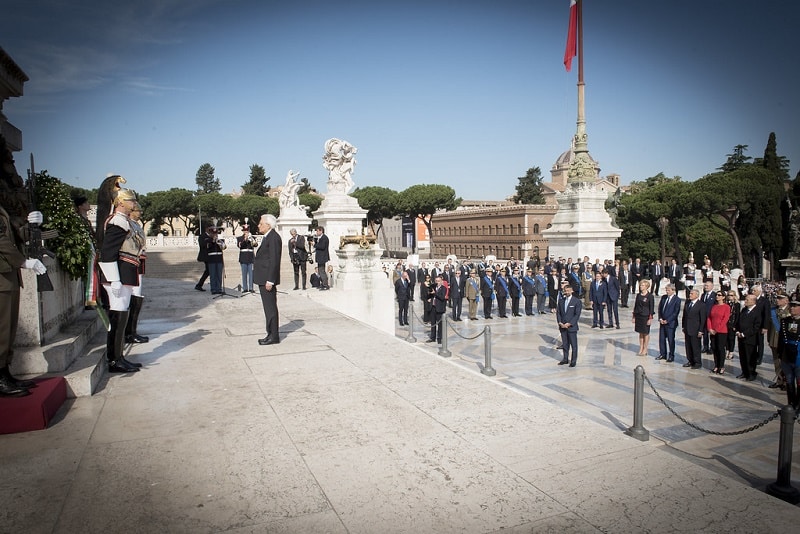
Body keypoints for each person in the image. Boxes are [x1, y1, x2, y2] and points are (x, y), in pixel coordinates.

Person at [0, 206, 48, 396]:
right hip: (3, 276)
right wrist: (22, 261)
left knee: (8, 329)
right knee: (2, 329)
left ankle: (5, 373)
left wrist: (32, 224)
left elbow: (14, 234)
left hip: (8, 276)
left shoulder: (3, 208)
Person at [98, 188, 144, 373]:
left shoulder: (124, 221)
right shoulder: (117, 221)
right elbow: (108, 252)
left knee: (122, 312)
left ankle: (119, 357)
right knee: (117, 315)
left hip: (125, 270)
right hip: (118, 273)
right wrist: (114, 279)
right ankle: (114, 359)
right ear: (120, 202)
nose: (134, 203)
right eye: (130, 201)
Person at [254, 214, 282, 345]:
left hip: (267, 279)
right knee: (267, 308)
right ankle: (270, 333)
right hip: (263, 277)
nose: (259, 225)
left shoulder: (273, 238)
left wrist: (270, 280)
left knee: (270, 308)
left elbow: (274, 260)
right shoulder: (268, 237)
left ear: (268, 225)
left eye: (261, 223)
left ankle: (274, 336)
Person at [124, 202, 149, 345]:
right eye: (138, 210)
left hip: (139, 264)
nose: (140, 213)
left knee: (137, 297)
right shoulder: (128, 224)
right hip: (132, 263)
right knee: (131, 298)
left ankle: (132, 331)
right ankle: (129, 333)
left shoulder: (136, 225)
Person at [778, 300, 800, 410]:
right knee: (789, 381)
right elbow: (781, 339)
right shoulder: (785, 321)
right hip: (786, 355)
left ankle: (798, 406)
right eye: (791, 306)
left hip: (798, 356)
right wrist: (779, 354)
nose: (792, 308)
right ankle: (791, 404)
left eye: (795, 306)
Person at [767, 293, 791, 390]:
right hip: (774, 339)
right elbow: (769, 325)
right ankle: (779, 380)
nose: (778, 300)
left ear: (786, 300)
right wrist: (769, 339)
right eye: (777, 298)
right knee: (777, 361)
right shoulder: (773, 310)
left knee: (786, 362)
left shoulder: (791, 310)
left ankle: (786, 382)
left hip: (786, 341)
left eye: (780, 299)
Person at [736, 294, 762, 381]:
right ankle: (744, 372)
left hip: (750, 338)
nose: (745, 301)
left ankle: (751, 373)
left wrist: (744, 334)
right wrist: (738, 331)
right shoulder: (744, 310)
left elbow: (756, 327)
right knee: (742, 356)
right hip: (741, 337)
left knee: (750, 357)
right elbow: (739, 321)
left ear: (753, 301)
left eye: (747, 300)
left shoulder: (757, 312)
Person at [557, 284, 582, 367]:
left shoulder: (576, 301)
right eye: (565, 290)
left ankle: (573, 361)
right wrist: (560, 322)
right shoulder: (561, 300)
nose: (567, 292)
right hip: (563, 326)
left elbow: (577, 315)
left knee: (573, 345)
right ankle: (565, 359)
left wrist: (570, 323)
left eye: (568, 290)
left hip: (571, 327)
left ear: (572, 291)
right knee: (565, 344)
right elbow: (558, 313)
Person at [707, 291, 731, 374]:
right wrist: (710, 328)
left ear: (723, 297)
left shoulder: (726, 307)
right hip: (712, 330)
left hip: (721, 331)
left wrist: (717, 329)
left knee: (720, 348)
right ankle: (716, 365)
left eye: (719, 295)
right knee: (714, 347)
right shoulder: (714, 306)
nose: (717, 296)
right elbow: (709, 317)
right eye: (716, 295)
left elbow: (725, 319)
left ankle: (721, 366)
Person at [682, 288, 707, 370]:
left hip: (696, 329)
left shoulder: (701, 305)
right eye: (690, 293)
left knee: (695, 346)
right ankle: (690, 360)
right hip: (687, 328)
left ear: (697, 295)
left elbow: (703, 319)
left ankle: (697, 362)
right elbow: (684, 316)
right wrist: (683, 326)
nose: (690, 295)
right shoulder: (688, 303)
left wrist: (701, 330)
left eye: (692, 294)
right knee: (688, 346)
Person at [656, 284, 681, 362]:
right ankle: (663, 354)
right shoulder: (664, 297)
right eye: (666, 290)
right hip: (662, 322)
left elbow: (675, 312)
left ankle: (671, 355)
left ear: (673, 290)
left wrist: (667, 320)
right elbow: (660, 308)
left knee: (670, 340)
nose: (667, 292)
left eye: (668, 290)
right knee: (662, 339)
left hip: (671, 323)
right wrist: (660, 318)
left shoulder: (677, 299)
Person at [633, 280, 655, 356]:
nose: (641, 287)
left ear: (646, 287)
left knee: (646, 333)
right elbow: (636, 306)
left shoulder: (650, 296)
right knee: (640, 333)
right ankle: (641, 347)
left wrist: (650, 318)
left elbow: (651, 308)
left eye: (642, 285)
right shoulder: (638, 295)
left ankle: (645, 348)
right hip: (639, 315)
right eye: (640, 285)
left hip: (645, 316)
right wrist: (634, 316)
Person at [426, 274, 447, 343]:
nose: (437, 282)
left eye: (438, 281)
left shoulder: (444, 288)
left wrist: (435, 293)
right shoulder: (434, 287)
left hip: (440, 308)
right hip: (433, 307)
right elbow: (429, 295)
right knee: (433, 323)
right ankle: (432, 337)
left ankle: (439, 338)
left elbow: (442, 297)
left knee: (440, 324)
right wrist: (429, 294)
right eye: (436, 281)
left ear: (441, 281)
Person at [237, 225, 257, 293]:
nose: (246, 232)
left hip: (250, 257)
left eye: (247, 231)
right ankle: (245, 288)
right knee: (244, 273)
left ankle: (251, 288)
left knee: (251, 274)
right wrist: (244, 239)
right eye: (245, 231)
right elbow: (240, 246)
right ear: (243, 231)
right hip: (243, 257)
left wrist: (251, 239)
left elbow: (255, 245)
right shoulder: (240, 238)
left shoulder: (252, 237)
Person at [194, 226, 214, 291]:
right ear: (206, 229)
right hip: (205, 256)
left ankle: (200, 284)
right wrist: (210, 239)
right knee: (208, 271)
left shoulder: (213, 236)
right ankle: (200, 285)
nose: (211, 230)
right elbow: (202, 245)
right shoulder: (202, 236)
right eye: (210, 228)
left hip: (212, 256)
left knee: (208, 271)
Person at [699, 281, 716, 354]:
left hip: (711, 317)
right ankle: (705, 346)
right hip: (704, 316)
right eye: (705, 286)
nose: (706, 287)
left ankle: (712, 347)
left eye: (707, 286)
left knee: (711, 332)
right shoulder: (703, 295)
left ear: (712, 286)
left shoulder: (714, 295)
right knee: (704, 332)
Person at [725, 291, 740, 361]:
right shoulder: (726, 303)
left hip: (732, 323)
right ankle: (727, 350)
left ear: (734, 296)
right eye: (728, 295)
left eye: (731, 295)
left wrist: (735, 325)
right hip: (726, 323)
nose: (729, 296)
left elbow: (737, 315)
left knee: (731, 338)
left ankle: (731, 352)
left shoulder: (737, 304)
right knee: (726, 338)